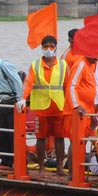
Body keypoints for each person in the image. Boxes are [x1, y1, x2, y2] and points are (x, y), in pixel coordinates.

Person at [22, 35, 72, 176]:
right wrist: (22, 98)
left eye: (51, 46)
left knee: (60, 138)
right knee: (41, 138)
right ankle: (42, 168)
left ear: (56, 48)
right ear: (41, 48)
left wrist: (71, 105)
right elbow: (28, 83)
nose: (48, 49)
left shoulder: (63, 65)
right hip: (41, 108)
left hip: (58, 107)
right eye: (46, 46)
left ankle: (60, 167)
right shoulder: (35, 65)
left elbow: (68, 87)